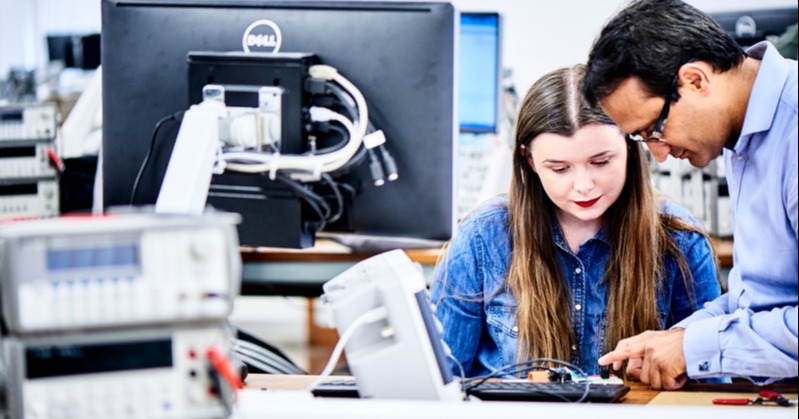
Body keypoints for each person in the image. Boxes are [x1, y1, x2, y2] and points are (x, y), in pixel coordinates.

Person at [429, 64, 721, 379]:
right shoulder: (482, 237)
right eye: (559, 168)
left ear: (629, 146)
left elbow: (709, 385)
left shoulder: (679, 239)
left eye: (600, 162)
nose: (583, 185)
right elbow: (441, 382)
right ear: (530, 161)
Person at [582, 0, 798, 390]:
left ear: (696, 80)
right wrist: (675, 339)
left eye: (655, 130)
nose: (659, 153)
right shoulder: (741, 134)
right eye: (642, 139)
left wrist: (696, 345)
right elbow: (762, 299)